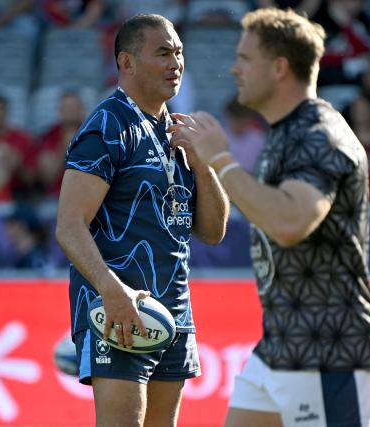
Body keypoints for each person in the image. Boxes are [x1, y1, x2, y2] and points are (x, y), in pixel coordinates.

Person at [169, 8, 370, 427]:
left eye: (245, 58)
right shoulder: (285, 132)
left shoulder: (319, 134)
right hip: (281, 344)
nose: (234, 69)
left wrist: (222, 161)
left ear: (280, 67)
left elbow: (290, 224)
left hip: (327, 351)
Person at [54, 13, 228, 427]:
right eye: (163, 53)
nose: (176, 63)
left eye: (180, 53)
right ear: (127, 62)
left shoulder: (179, 133)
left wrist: (204, 167)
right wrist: (112, 291)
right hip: (118, 311)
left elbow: (213, 231)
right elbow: (69, 224)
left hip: (175, 312)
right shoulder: (108, 125)